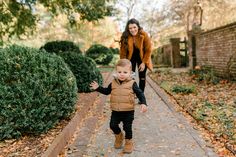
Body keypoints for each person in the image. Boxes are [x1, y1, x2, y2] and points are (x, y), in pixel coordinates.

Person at [90, 59, 147, 154]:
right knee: (112, 125)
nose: (122, 74)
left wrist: (143, 103)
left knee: (127, 127)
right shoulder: (113, 83)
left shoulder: (132, 83)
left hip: (128, 111)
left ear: (130, 73)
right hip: (116, 111)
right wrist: (98, 88)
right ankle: (119, 136)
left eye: (125, 72)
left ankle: (128, 142)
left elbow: (140, 93)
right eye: (119, 72)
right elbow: (107, 91)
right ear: (116, 72)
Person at [119, 18, 153, 93]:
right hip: (130, 58)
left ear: (138, 26)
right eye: (130, 28)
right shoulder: (125, 36)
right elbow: (123, 52)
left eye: (134, 27)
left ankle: (141, 95)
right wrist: (124, 64)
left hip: (142, 57)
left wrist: (144, 63)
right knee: (130, 76)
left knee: (142, 77)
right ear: (128, 29)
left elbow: (148, 50)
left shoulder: (143, 34)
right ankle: (132, 93)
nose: (133, 30)